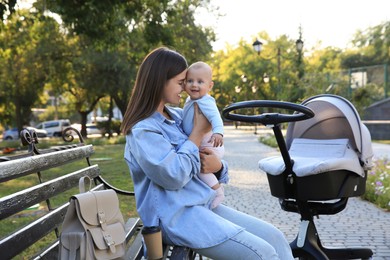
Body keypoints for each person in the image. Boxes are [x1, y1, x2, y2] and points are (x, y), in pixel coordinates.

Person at [121, 46, 294, 259]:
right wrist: (197, 133)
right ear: (159, 81)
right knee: (262, 254)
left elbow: (208, 157)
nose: (185, 88)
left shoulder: (176, 116)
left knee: (275, 237)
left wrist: (219, 167)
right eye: (180, 82)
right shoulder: (144, 130)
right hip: (176, 217)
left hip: (200, 204)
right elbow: (172, 176)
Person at [182, 61, 225, 209]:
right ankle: (208, 192)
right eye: (190, 81)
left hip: (210, 145)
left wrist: (218, 132)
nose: (194, 85)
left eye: (200, 82)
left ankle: (218, 191)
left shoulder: (205, 101)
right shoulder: (190, 100)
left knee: (201, 170)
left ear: (210, 86)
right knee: (198, 169)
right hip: (202, 143)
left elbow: (215, 117)